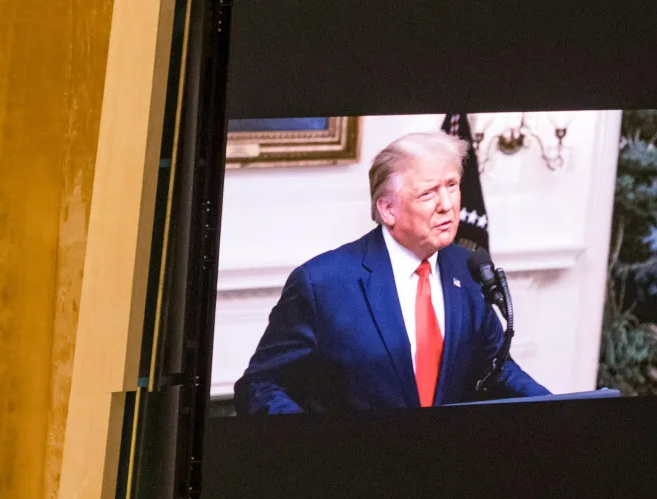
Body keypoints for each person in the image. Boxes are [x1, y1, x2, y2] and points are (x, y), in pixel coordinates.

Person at [232, 130, 550, 415]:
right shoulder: (322, 283)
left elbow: (497, 367)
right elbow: (260, 385)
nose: (447, 204)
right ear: (387, 210)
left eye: (452, 186)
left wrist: (556, 408)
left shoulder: (466, 268)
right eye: (428, 193)